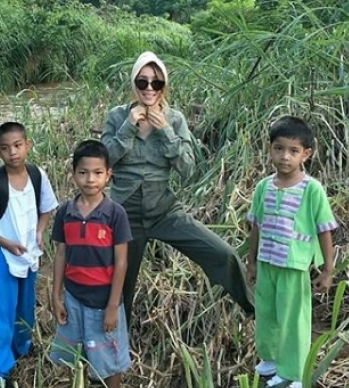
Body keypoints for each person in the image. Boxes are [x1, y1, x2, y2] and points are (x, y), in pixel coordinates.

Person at [101, 51, 254, 325]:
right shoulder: (116, 117)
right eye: (143, 82)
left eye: (156, 83)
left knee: (224, 254)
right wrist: (127, 127)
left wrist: (165, 132)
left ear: (164, 87)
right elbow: (104, 162)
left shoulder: (175, 119)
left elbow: (188, 170)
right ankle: (117, 349)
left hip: (164, 211)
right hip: (124, 216)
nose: (149, 89)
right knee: (120, 286)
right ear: (133, 83)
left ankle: (255, 311)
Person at [247, 116, 337, 388]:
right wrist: (251, 262)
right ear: (270, 149)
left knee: (292, 319)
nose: (285, 156)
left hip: (293, 266)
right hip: (266, 263)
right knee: (267, 313)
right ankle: (272, 359)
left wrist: (327, 269)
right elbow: (256, 226)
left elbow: (325, 230)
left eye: (293, 151)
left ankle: (292, 376)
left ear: (306, 154)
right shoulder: (264, 187)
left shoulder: (312, 189)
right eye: (279, 148)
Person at [0, 121, 58, 388]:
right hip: (2, 256)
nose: (13, 153)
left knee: (24, 306)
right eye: (6, 148)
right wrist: (6, 243)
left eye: (18, 146)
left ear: (27, 145)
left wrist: (40, 231)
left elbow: (47, 208)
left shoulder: (37, 175)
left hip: (29, 253)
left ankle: (20, 348)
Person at [50, 140, 132, 388]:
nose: (90, 179)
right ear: (73, 174)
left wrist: (112, 306)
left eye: (97, 173)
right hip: (73, 296)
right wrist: (56, 295)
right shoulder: (65, 212)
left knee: (110, 351)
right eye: (83, 173)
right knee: (75, 347)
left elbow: (121, 261)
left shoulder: (114, 214)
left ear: (108, 174)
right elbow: (61, 253)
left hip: (102, 299)